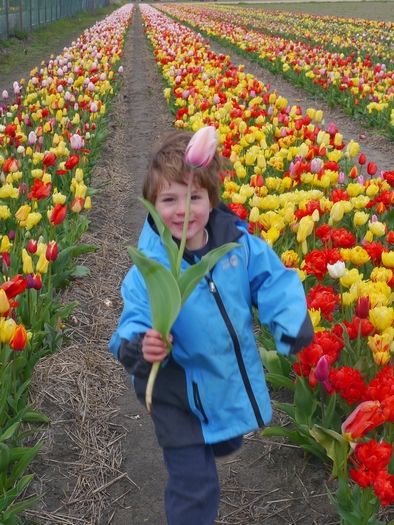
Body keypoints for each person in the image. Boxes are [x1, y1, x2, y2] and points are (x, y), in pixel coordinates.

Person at [109, 129, 314, 525]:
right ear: (152, 207)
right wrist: (140, 345)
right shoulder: (150, 270)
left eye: (194, 198)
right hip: (174, 389)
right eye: (169, 200)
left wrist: (290, 320)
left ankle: (216, 436)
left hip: (219, 377)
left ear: (211, 199)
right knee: (196, 486)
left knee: (224, 440)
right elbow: (133, 318)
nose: (183, 210)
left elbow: (271, 278)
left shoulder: (237, 246)